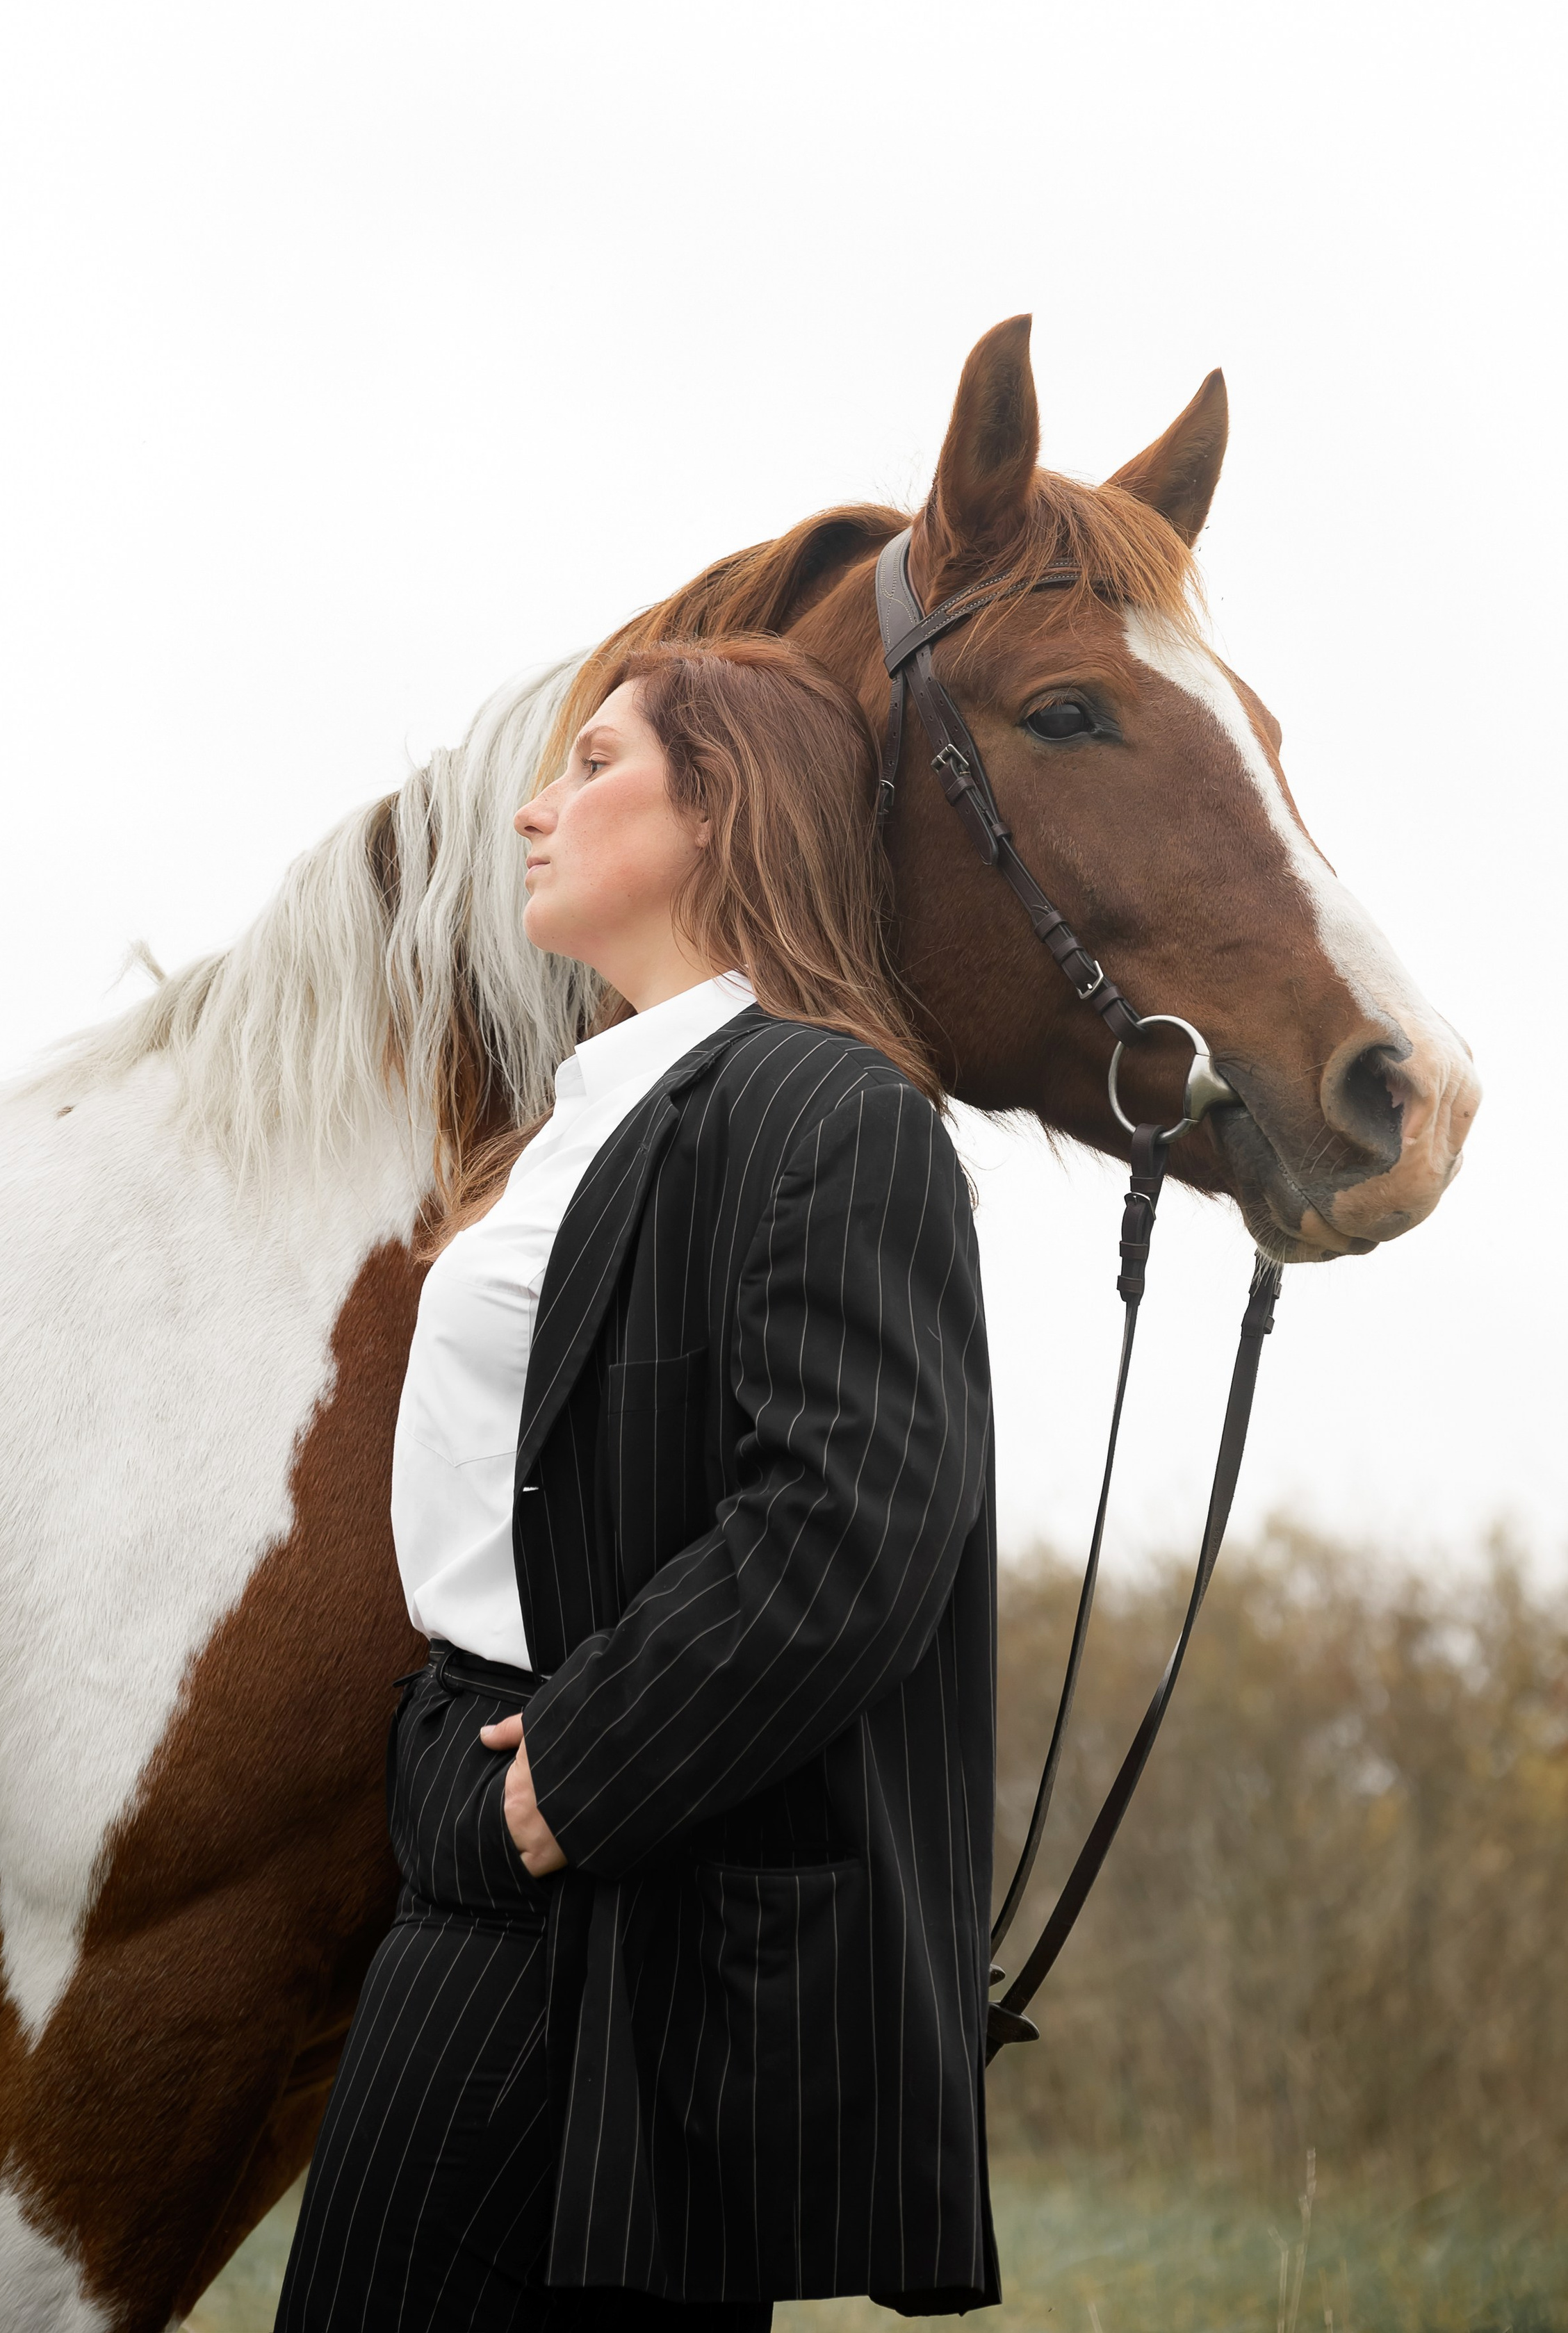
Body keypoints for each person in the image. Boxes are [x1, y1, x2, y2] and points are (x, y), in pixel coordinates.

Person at [276, 635, 999, 2330]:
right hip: (490, 1827)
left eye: (594, 762)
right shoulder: (570, 1125)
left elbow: (847, 1525)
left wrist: (561, 1788)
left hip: (615, 1877)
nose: (535, 809)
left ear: (722, 806)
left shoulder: (832, 1112)